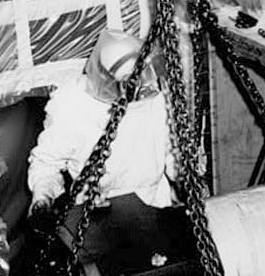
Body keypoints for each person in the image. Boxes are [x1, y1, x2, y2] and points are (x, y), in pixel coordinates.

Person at [26, 29, 177, 217]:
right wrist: (43, 197)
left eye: (138, 81)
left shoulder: (154, 96)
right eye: (124, 83)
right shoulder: (72, 104)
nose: (134, 91)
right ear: (106, 79)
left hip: (154, 205)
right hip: (96, 213)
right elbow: (46, 163)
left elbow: (172, 152)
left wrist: (185, 173)